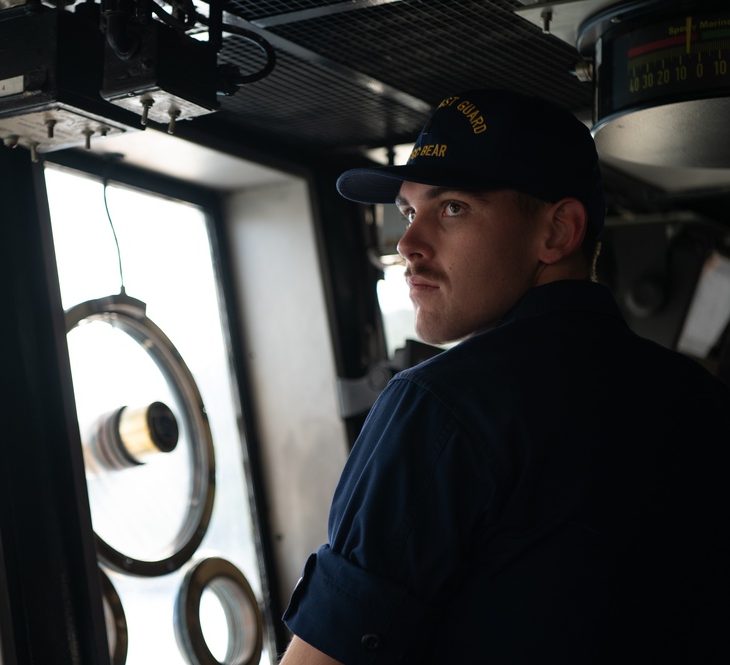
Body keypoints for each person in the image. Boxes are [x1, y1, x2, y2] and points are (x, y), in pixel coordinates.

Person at [279, 88, 730, 664]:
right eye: (409, 212)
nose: (408, 244)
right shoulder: (707, 403)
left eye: (453, 208)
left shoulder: (439, 408)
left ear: (557, 232)